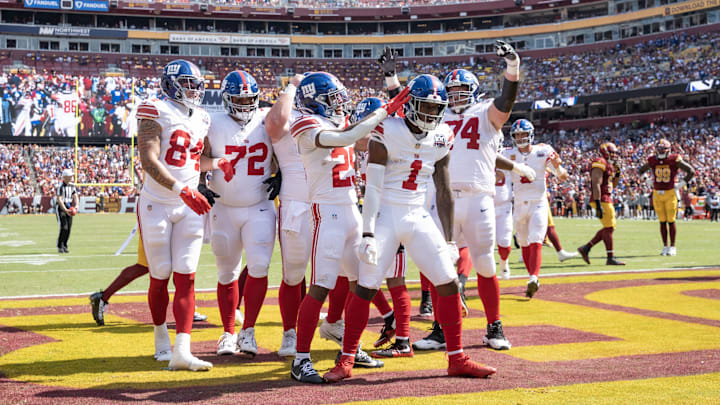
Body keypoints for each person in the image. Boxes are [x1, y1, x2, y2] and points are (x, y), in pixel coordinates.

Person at [323, 74, 497, 384]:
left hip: (418, 215)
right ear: (411, 105)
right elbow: (374, 187)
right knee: (366, 286)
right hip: (387, 213)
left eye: (436, 109)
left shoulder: (443, 134)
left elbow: (443, 189)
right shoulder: (387, 129)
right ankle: (347, 358)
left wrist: (449, 240)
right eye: (425, 108)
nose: (431, 115)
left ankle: (456, 358)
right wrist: (368, 233)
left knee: (447, 282)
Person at [289, 72, 407, 384]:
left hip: (350, 210)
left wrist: (396, 118)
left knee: (363, 284)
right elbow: (344, 139)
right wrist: (384, 109)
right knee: (321, 286)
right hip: (326, 212)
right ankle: (300, 358)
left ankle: (350, 350)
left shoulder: (336, 121)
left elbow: (365, 137)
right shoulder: (304, 123)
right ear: (314, 101)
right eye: (332, 99)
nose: (340, 104)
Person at [136, 59, 228, 371]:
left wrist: (217, 164)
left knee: (186, 277)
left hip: (188, 202)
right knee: (160, 275)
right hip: (158, 203)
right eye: (188, 84)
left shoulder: (201, 117)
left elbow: (192, 161)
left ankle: (182, 350)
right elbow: (149, 159)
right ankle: (161, 336)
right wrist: (181, 190)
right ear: (172, 83)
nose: (194, 90)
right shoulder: (154, 108)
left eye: (197, 85)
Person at [203, 70, 279, 357]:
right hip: (224, 206)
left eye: (249, 99)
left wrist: (281, 173)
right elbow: (198, 158)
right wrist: (202, 181)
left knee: (259, 268)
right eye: (239, 99)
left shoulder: (267, 119)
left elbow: (287, 150)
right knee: (226, 273)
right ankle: (228, 332)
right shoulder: (212, 123)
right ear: (226, 99)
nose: (246, 105)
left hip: (259, 205)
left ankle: (248, 330)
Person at [265, 73, 309, 358]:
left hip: (330, 204)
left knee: (346, 271)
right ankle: (289, 333)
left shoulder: (330, 119)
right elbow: (276, 122)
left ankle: (337, 325)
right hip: (296, 205)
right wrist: (292, 86)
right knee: (293, 274)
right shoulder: (288, 119)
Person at [502, 119, 570, 298]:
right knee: (524, 242)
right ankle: (531, 276)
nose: (521, 137)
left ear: (530, 134)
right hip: (519, 203)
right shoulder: (507, 153)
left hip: (538, 202)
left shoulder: (543, 151)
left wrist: (558, 168)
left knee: (536, 239)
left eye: (523, 134)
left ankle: (534, 277)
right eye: (517, 135)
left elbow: (562, 174)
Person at [637, 138, 695, 256]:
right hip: (657, 193)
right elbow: (640, 170)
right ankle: (665, 246)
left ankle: (673, 246)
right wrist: (647, 181)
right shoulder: (652, 160)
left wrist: (681, 184)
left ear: (668, 150)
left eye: (663, 149)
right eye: (659, 149)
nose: (661, 151)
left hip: (670, 193)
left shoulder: (674, 159)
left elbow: (691, 171)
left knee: (671, 221)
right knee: (662, 222)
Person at [577, 142, 625, 266]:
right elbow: (596, 183)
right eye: (613, 153)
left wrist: (617, 174)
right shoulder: (600, 162)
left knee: (608, 228)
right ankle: (610, 257)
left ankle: (586, 248)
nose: (615, 156)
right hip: (601, 199)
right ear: (605, 152)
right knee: (609, 228)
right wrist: (598, 204)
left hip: (606, 197)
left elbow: (612, 185)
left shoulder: (609, 164)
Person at [495, 168, 513, 280]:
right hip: (483, 203)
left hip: (504, 206)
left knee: (505, 244)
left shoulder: (507, 154)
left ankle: (503, 262)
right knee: (484, 244)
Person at [56, 168, 78, 253]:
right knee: (64, 227)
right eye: (69, 176)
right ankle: (60, 245)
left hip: (69, 206)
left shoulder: (72, 185)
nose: (71, 177)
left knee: (68, 228)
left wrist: (76, 206)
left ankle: (65, 245)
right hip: (62, 207)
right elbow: (59, 199)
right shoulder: (60, 186)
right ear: (65, 177)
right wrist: (65, 209)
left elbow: (75, 196)